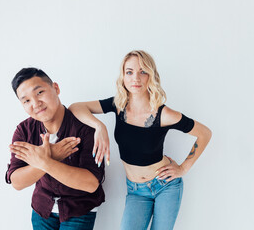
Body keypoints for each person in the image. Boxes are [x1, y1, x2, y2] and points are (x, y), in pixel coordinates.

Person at [69, 50, 212, 230]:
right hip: (136, 191)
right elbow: (76, 107)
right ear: (123, 76)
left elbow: (205, 133)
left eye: (142, 71)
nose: (135, 78)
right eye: (129, 72)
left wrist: (183, 168)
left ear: (151, 76)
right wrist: (99, 126)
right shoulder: (118, 105)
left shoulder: (165, 114)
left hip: (165, 186)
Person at [5, 68, 105, 230]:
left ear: (56, 88)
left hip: (79, 209)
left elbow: (91, 183)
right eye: (26, 101)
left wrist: (46, 162)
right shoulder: (24, 130)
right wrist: (52, 156)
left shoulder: (84, 128)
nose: (36, 104)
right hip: (42, 208)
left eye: (39, 92)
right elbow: (17, 182)